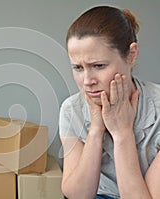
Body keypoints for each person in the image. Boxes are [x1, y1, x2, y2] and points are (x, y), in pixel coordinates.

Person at [59, 5, 160, 199]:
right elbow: (78, 195)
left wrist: (122, 132)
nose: (88, 80)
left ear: (131, 55)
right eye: (78, 68)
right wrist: (96, 130)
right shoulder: (71, 110)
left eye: (98, 66)